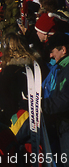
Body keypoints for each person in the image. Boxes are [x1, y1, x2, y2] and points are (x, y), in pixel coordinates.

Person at [0, 33, 39, 147]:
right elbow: (16, 88)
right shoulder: (33, 66)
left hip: (13, 119)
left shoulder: (10, 70)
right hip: (33, 116)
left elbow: (3, 96)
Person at [42, 33, 69, 163]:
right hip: (62, 126)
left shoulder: (66, 70)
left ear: (63, 50)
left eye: (53, 51)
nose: (51, 56)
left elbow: (66, 99)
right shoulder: (61, 69)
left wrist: (43, 105)